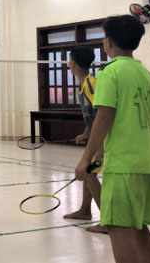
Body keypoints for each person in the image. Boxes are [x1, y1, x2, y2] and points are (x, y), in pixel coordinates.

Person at [75, 15, 150, 263]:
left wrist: (85, 158)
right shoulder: (145, 73)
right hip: (148, 160)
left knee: (117, 226)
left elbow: (103, 119)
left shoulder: (109, 73)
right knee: (139, 225)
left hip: (124, 164)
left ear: (108, 42)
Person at [63, 47, 106, 233]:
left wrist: (100, 147)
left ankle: (108, 220)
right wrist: (85, 133)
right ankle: (85, 210)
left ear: (74, 63)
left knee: (88, 173)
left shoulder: (92, 84)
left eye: (69, 59)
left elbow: (103, 115)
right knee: (89, 174)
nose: (68, 63)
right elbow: (92, 116)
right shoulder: (84, 84)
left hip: (104, 142)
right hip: (95, 140)